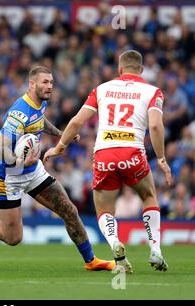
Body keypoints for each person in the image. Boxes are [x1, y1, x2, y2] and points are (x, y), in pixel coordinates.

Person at [0, 66, 114, 271]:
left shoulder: (38, 104)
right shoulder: (18, 114)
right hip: (9, 177)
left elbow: (40, 121)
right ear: (32, 84)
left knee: (69, 210)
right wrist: (20, 161)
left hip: (33, 172)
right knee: (13, 238)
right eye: (45, 82)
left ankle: (91, 260)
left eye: (51, 82)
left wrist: (60, 134)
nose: (49, 86)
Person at [44, 50, 173, 272]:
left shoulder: (102, 89)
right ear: (141, 70)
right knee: (149, 195)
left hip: (104, 153)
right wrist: (161, 158)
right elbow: (155, 126)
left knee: (104, 208)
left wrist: (59, 147)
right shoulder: (153, 92)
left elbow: (76, 122)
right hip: (132, 152)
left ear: (120, 69)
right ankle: (155, 251)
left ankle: (115, 243)